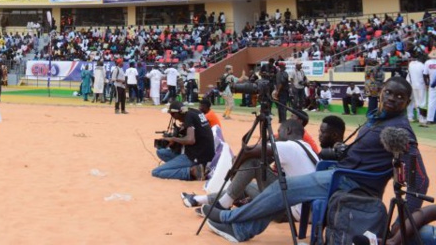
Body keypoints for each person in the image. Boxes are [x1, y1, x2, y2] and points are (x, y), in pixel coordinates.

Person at [204, 77, 429, 243]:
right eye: (389, 92)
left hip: (352, 182)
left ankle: (228, 216)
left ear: (407, 102)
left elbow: (420, 181)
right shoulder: (379, 119)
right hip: (343, 174)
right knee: (285, 191)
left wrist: (401, 224)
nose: (392, 99)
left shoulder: (401, 131)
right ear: (381, 92)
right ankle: (241, 229)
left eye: (400, 97)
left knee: (286, 187)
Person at [182, 117, 317, 217]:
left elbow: (250, 152)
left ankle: (222, 205)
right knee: (243, 184)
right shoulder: (305, 147)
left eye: (279, 131)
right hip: (303, 206)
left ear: (287, 130)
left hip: (291, 209)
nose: (277, 135)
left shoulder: (289, 146)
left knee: (253, 163)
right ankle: (200, 199)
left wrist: (235, 167)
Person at [151, 100, 215, 181]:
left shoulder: (188, 117)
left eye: (172, 114)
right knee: (160, 152)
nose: (173, 116)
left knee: (156, 171)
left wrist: (173, 139)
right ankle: (190, 168)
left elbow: (190, 140)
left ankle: (192, 171)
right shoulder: (193, 112)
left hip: (196, 156)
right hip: (204, 154)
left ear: (177, 113)